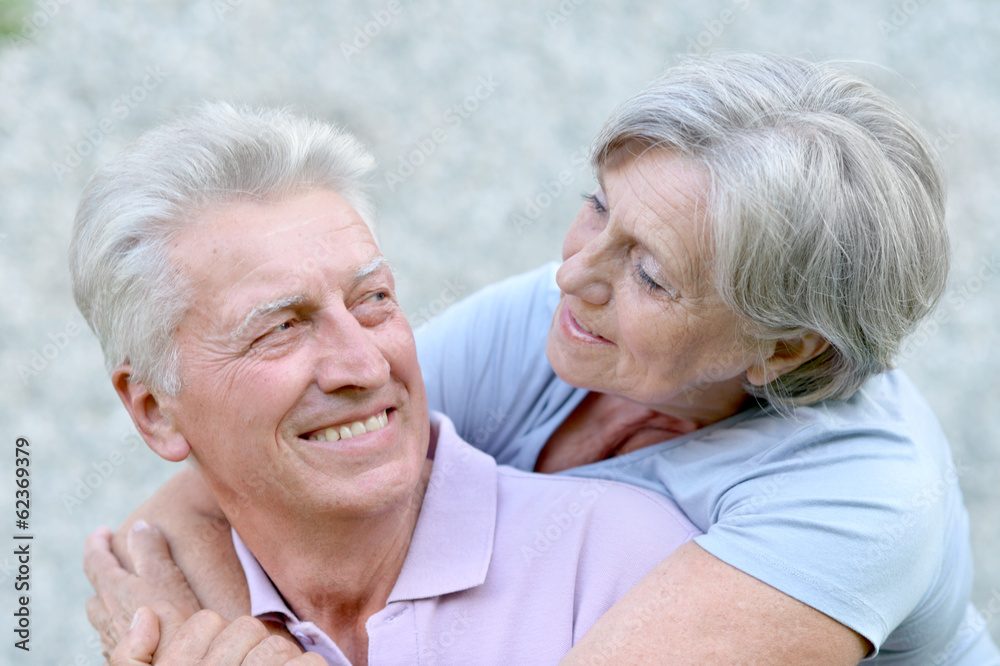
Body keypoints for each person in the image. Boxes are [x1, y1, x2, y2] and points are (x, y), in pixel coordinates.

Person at [86, 53, 1000, 664]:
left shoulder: (864, 501)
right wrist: (203, 636)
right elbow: (216, 479)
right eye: (599, 207)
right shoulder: (573, 314)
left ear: (784, 345)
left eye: (649, 271)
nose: (571, 272)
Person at [70, 102, 700, 665]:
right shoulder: (155, 611)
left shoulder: (623, 563)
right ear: (154, 411)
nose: (367, 366)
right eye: (282, 327)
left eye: (373, 299)